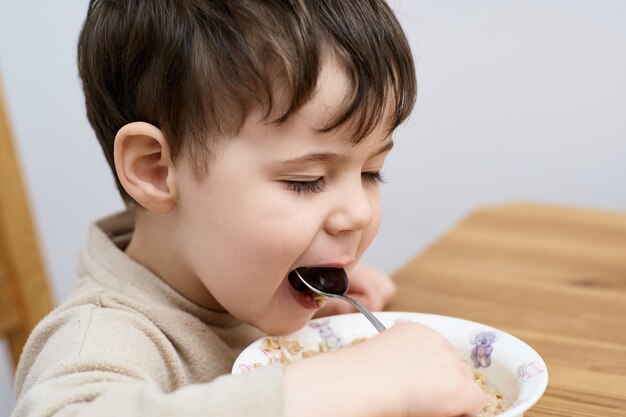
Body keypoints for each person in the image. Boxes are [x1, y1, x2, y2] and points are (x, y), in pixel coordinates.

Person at [12, 1, 485, 416]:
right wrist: (354, 382)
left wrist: (305, 303)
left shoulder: (231, 281)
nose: (359, 213)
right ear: (156, 169)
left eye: (370, 173)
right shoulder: (101, 337)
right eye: (306, 181)